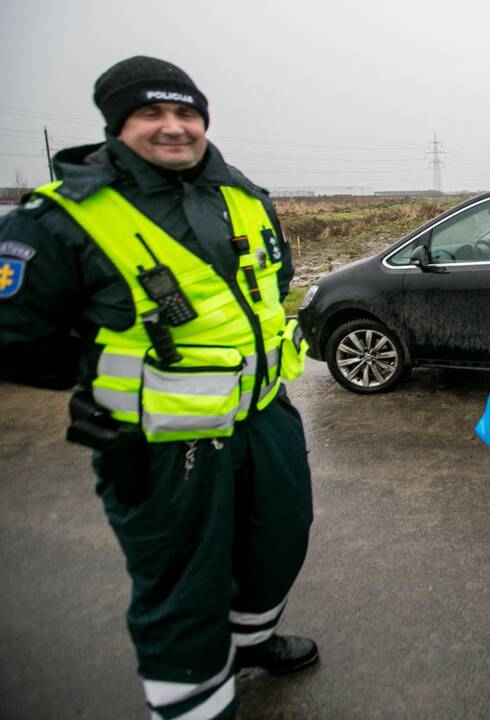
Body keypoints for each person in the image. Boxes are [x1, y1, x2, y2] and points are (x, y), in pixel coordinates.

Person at [0, 56, 317, 720]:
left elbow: (275, 282)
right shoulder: (60, 218)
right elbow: (15, 339)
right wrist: (116, 379)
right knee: (183, 584)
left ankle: (250, 643)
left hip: (264, 417)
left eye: (186, 113)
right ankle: (196, 702)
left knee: (279, 539)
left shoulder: (243, 195)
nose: (173, 127)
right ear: (118, 125)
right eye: (152, 113)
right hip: (164, 444)